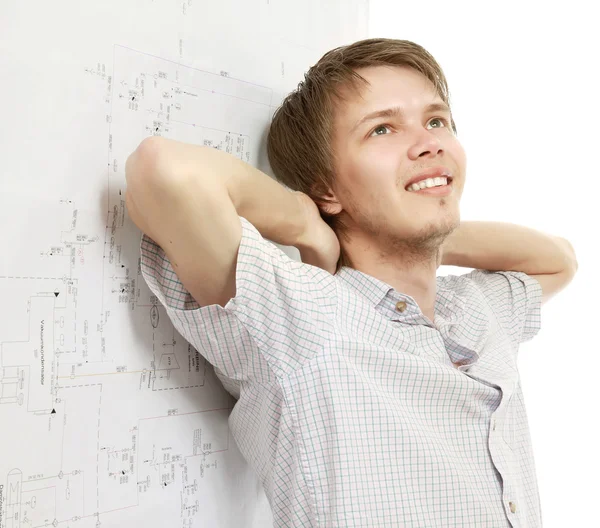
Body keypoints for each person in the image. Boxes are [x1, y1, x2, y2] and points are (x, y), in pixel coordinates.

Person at [125, 38, 557, 527]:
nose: (430, 141)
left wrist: (430, 241)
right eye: (382, 129)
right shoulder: (309, 314)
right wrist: (307, 225)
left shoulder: (474, 308)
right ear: (327, 188)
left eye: (436, 120)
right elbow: (163, 172)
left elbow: (556, 260)